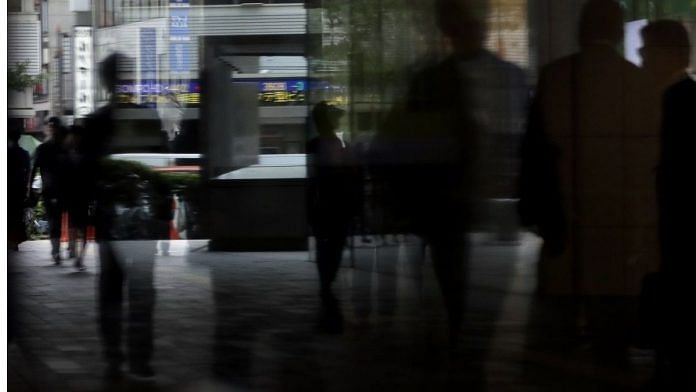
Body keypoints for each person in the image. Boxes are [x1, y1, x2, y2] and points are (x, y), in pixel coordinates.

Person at [370, 0, 526, 345]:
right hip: (450, 203)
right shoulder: (437, 79)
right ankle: (457, 336)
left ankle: (457, 337)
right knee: (452, 280)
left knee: (457, 282)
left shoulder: (437, 79)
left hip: (458, 203)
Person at [520, 0, 650, 356]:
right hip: (615, 211)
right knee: (611, 306)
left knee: (560, 309)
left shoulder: (555, 75)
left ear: (581, 30)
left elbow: (534, 150)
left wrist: (532, 206)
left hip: (564, 209)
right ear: (617, 31)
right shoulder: (636, 80)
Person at [84, 52, 163, 379]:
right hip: (139, 218)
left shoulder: (94, 123)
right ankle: (137, 356)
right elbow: (159, 169)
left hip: (113, 217)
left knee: (113, 286)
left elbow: (88, 174)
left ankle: (116, 353)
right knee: (141, 288)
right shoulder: (148, 116)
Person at [649, 20, 695, 391]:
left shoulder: (671, 102)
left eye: (648, 50)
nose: (642, 57)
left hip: (676, 219)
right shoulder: (684, 97)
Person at [307, 101, 361, 332]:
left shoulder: (320, 144)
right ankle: (327, 281)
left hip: (326, 202)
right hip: (335, 202)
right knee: (334, 242)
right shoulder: (340, 145)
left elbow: (313, 178)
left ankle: (326, 282)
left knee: (327, 243)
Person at [30, 117, 68, 264]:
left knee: (57, 220)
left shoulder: (63, 149)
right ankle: (56, 250)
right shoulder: (43, 149)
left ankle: (57, 250)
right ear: (47, 128)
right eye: (50, 126)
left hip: (61, 190)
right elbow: (34, 169)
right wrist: (30, 190)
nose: (52, 129)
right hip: (49, 190)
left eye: (54, 126)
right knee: (54, 220)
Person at [62, 125, 90, 270]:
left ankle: (79, 256)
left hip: (81, 195)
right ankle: (75, 252)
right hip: (75, 195)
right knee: (76, 226)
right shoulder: (67, 154)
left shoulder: (84, 154)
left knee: (81, 227)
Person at [8, 125, 31, 250]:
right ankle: (15, 241)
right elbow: (28, 172)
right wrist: (26, 187)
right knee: (17, 215)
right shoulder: (24, 154)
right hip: (19, 188)